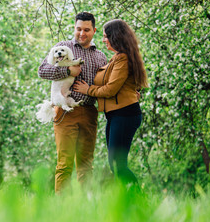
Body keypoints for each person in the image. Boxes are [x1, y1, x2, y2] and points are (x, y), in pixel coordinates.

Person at [73, 19, 148, 187]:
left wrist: (88, 90)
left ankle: (138, 198)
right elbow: (122, 84)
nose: (103, 39)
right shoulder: (117, 58)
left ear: (116, 37)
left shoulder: (122, 58)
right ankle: (133, 198)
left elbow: (110, 90)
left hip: (125, 114)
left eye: (106, 36)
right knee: (116, 163)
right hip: (116, 115)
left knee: (117, 164)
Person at [38, 12, 107, 193]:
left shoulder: (101, 56)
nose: (81, 33)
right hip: (64, 112)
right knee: (65, 163)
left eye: (86, 30)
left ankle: (86, 209)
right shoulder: (62, 47)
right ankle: (61, 210)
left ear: (94, 30)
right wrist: (68, 71)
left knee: (86, 164)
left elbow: (108, 84)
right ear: (74, 28)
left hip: (89, 112)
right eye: (78, 29)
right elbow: (42, 71)